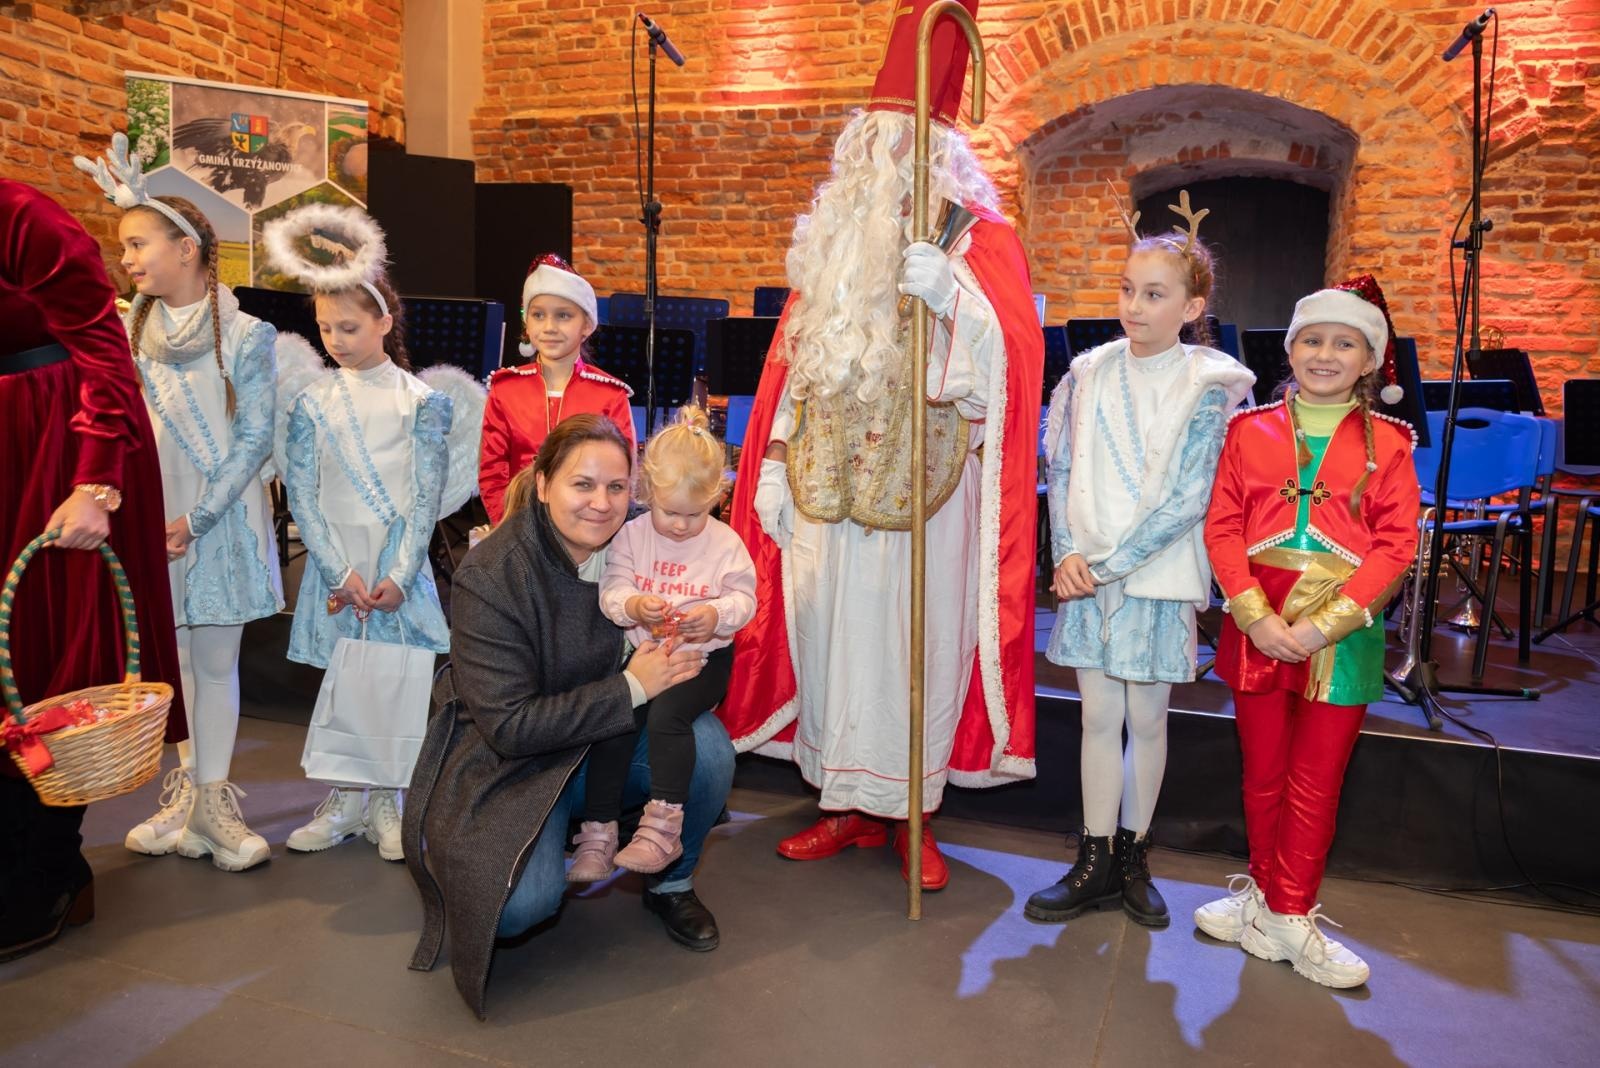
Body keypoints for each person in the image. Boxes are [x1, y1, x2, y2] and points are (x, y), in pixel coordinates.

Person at [717, 0, 1044, 891]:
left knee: (914, 648)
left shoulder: (981, 244)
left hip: (929, 490)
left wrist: (954, 302)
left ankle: (910, 817)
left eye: (904, 151)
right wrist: (774, 464)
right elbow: (796, 364)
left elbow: (1015, 367)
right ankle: (843, 807)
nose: (885, 168)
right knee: (832, 641)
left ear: (941, 160)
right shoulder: (829, 248)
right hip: (826, 485)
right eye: (875, 150)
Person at [403, 415, 735, 1018]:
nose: (601, 503)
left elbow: (719, 610)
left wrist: (703, 625)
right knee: (519, 908)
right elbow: (507, 727)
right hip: (515, 763)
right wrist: (634, 685)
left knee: (708, 748)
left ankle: (669, 880)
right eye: (583, 485)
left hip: (602, 741)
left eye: (615, 487)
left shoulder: (643, 539)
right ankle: (545, 846)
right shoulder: (494, 574)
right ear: (546, 481)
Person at [1025, 193, 1255, 928]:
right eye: (1127, 289)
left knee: (1147, 720)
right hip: (1086, 572)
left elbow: (1190, 496)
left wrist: (1107, 563)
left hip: (1152, 578)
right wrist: (1066, 553)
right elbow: (1059, 469)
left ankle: (1133, 856)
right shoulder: (1088, 372)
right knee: (1098, 715)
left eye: (1154, 295)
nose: (1134, 306)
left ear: (1191, 306)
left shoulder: (1209, 384)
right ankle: (1092, 860)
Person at [1194, 276, 1419, 988]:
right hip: (1255, 620)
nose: (1326, 354)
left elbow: (1396, 545)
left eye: (1344, 343)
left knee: (1315, 780)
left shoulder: (1391, 444)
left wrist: (1323, 626)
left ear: (1369, 360)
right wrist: (1256, 616)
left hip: (1342, 633)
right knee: (1262, 774)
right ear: (1290, 349)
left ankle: (1291, 912)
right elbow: (1223, 526)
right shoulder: (1247, 431)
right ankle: (1265, 897)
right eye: (1312, 340)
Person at [79, 149, 285, 872]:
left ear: (186, 248)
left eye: (138, 243)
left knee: (215, 660)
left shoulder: (249, 334)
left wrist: (196, 518)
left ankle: (214, 802)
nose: (127, 257)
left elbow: (257, 435)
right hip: (150, 517)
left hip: (217, 519)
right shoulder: (126, 329)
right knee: (171, 664)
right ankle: (189, 796)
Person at [0, 177, 183, 960]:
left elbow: (104, 350)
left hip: (60, 440)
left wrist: (94, 482)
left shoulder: (21, 215)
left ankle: (44, 875)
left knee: (54, 661)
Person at [265, 204, 454, 863]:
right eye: (325, 329)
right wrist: (336, 569)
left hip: (394, 565)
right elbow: (304, 496)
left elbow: (423, 500)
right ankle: (346, 795)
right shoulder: (313, 401)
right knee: (344, 679)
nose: (337, 340)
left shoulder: (423, 403)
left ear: (383, 320)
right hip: (338, 567)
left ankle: (389, 798)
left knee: (396, 681)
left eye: (349, 326)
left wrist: (398, 576)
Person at [574, 405, 756, 879]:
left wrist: (715, 615)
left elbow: (745, 600)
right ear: (648, 493)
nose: (680, 526)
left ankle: (662, 828)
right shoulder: (632, 536)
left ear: (717, 497)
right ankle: (599, 831)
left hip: (703, 660)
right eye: (670, 512)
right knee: (616, 722)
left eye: (695, 515)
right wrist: (634, 607)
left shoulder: (725, 543)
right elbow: (612, 589)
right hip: (643, 655)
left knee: (669, 717)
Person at [477, 254, 635, 524]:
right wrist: (508, 527)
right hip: (519, 526)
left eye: (563, 315)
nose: (549, 327)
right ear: (527, 324)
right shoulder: (505, 390)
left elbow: (622, 474)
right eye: (538, 315)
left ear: (586, 325)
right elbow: (492, 471)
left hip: (589, 526)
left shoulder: (610, 395)